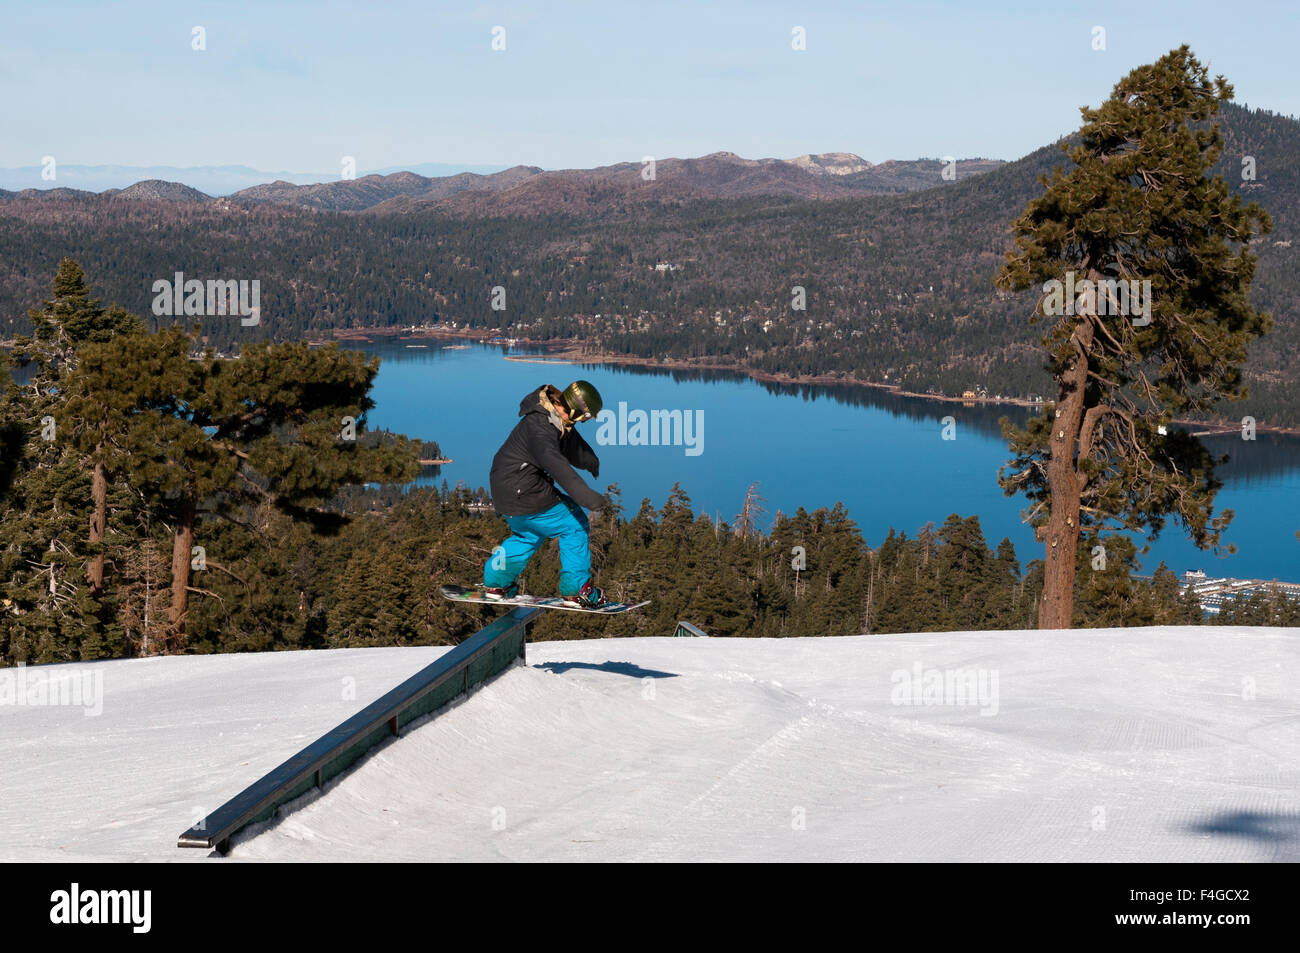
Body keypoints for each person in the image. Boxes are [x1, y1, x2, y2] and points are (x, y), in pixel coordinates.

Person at [482, 380, 608, 607]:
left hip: (505, 492)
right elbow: (555, 462)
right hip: (525, 489)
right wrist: (587, 497)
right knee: (575, 524)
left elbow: (570, 443)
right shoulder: (541, 428)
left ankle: (495, 582)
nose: (584, 421)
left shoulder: (550, 415)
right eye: (586, 417)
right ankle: (576, 590)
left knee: (528, 533)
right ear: (577, 411)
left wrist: (591, 461)